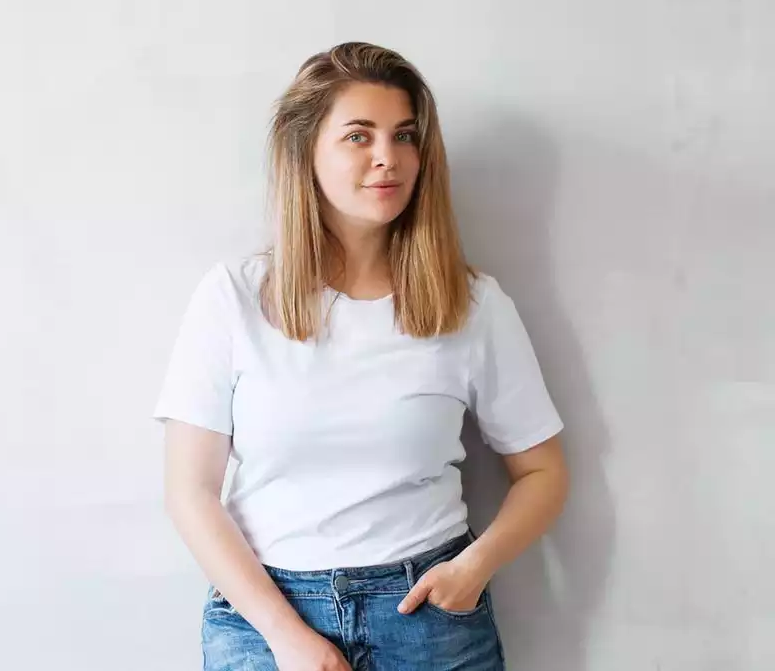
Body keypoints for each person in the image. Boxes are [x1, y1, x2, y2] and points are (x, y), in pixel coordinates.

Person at [153, 42, 570, 671]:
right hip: (266, 618)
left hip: (427, 617)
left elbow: (543, 472)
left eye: (405, 136)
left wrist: (472, 569)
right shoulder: (234, 299)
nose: (388, 158)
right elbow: (191, 492)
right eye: (358, 136)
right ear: (305, 152)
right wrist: (286, 637)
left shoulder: (472, 305)